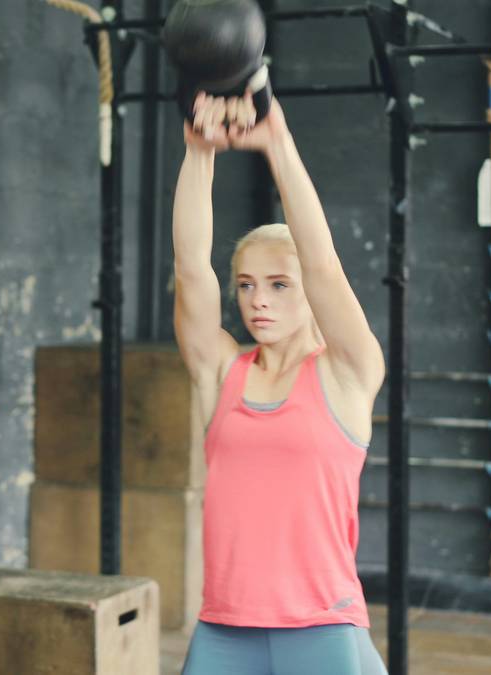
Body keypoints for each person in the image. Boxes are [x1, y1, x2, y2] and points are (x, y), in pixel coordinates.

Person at [173, 90, 388, 675]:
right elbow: (191, 267)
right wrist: (199, 154)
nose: (257, 300)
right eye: (245, 285)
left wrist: (278, 145)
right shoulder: (220, 372)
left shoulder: (347, 370)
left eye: (277, 285)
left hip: (322, 626)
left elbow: (322, 264)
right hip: (224, 628)